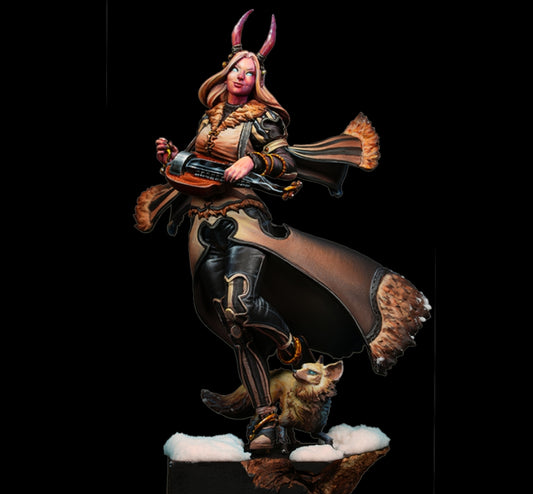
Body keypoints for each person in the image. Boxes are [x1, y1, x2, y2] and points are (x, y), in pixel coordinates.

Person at [134, 10, 430, 452]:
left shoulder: (263, 118)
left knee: (239, 302)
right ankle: (266, 420)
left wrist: (252, 160)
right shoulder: (209, 118)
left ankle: (292, 348)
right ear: (225, 72)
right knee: (235, 326)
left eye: (250, 72)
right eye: (237, 69)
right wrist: (170, 158)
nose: (242, 76)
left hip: (242, 219)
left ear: (258, 80)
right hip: (200, 224)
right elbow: (193, 167)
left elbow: (285, 162)